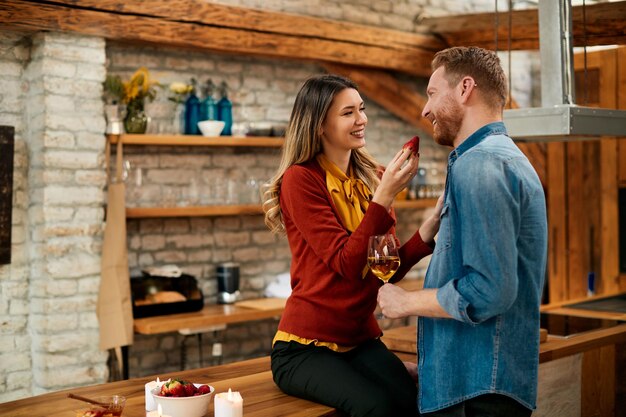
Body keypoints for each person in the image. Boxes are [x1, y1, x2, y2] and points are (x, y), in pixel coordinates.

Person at [377, 46, 548, 417]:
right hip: (477, 386)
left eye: (432, 93)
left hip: (478, 398)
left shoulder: (480, 164)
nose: (425, 109)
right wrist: (437, 371)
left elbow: (490, 290)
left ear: (465, 87)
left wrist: (405, 302)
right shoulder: (505, 158)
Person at [263, 74, 442, 417]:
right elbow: (346, 264)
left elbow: (382, 270)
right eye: (348, 113)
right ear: (319, 126)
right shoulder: (300, 180)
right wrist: (385, 196)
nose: (362, 119)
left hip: (359, 341)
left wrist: (426, 233)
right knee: (377, 407)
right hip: (303, 350)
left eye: (361, 109)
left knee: (411, 400)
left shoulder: (372, 179)